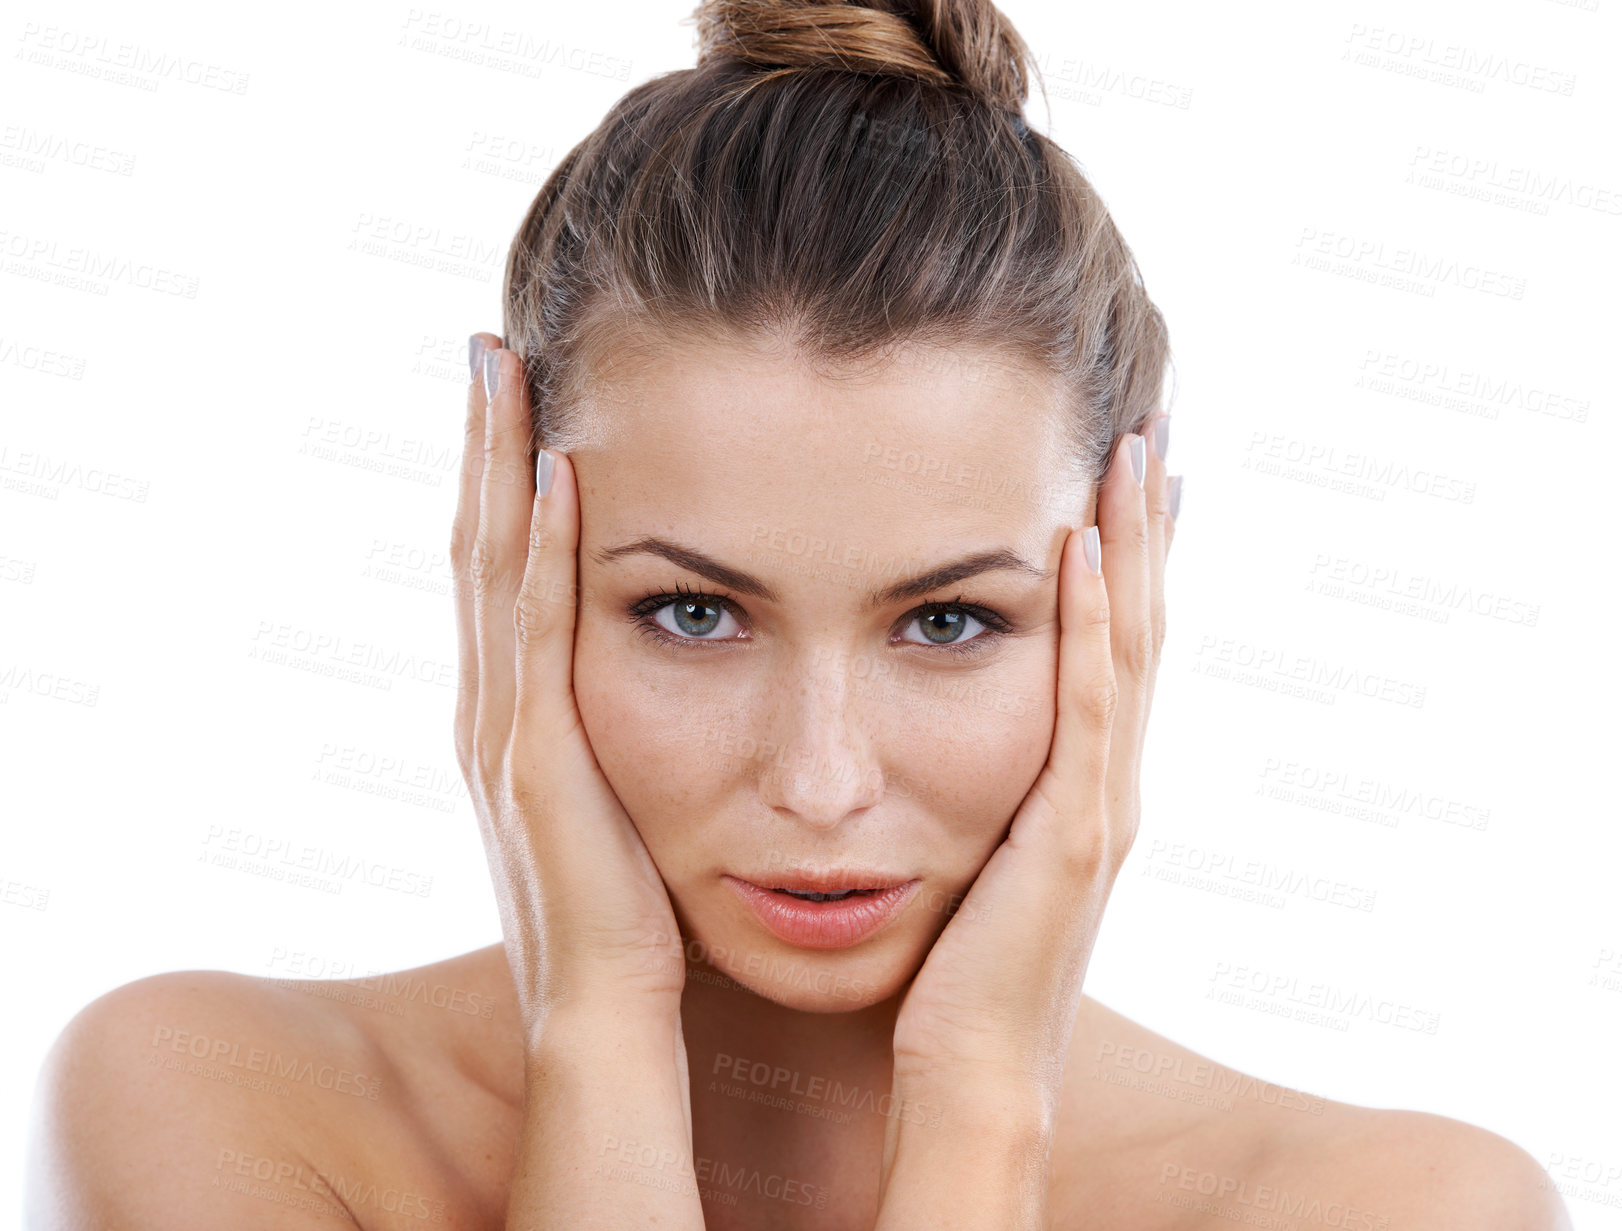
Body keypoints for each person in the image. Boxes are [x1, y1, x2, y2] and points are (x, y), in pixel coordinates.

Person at [25, 1, 1571, 1227]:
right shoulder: (218, 1105)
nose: (820, 782)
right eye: (694, 613)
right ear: (509, 567)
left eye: (948, 622)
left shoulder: (1397, 1209)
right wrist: (600, 1039)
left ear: (1127, 581)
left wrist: (976, 1107)